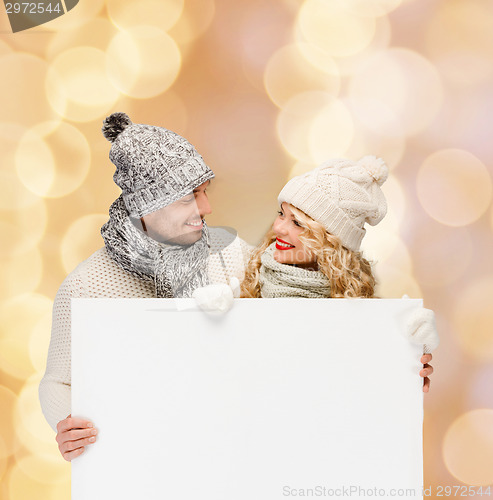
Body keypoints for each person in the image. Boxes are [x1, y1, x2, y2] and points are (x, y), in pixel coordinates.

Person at [39, 112, 251, 461]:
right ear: (143, 206)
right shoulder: (84, 287)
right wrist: (66, 423)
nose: (207, 208)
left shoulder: (233, 255)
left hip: (226, 454)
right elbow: (57, 382)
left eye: (204, 193)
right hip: (139, 463)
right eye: (188, 197)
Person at [240, 156, 437, 380]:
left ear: (330, 243)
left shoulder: (359, 313)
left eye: (297, 223)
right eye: (281, 214)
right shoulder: (244, 274)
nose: (278, 228)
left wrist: (407, 357)